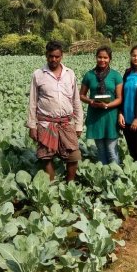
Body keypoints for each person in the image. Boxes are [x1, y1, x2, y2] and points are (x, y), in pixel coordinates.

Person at [27, 40, 83, 182]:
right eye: (51, 56)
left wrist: (78, 124)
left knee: (73, 156)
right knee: (46, 157)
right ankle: (51, 186)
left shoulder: (69, 74)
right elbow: (32, 102)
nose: (54, 59)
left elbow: (76, 100)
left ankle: (70, 183)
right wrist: (32, 126)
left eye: (57, 56)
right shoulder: (38, 74)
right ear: (46, 55)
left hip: (66, 122)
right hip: (46, 122)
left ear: (61, 56)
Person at [80, 46, 123, 165]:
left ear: (110, 59)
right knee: (101, 151)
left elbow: (120, 98)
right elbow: (81, 95)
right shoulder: (89, 75)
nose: (102, 60)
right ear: (96, 58)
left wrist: (108, 105)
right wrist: (91, 102)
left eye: (105, 57)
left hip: (111, 116)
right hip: (95, 116)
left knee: (111, 150)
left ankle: (117, 179)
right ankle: (105, 178)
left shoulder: (116, 75)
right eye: (100, 57)